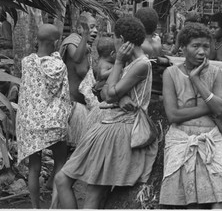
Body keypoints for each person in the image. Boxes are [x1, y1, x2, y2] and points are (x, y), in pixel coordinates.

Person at [55, 16, 158, 209]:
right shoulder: (131, 62)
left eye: (115, 37)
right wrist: (120, 95)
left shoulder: (141, 64)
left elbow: (109, 94)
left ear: (121, 38)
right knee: (62, 180)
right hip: (107, 127)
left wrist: (118, 63)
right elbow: (101, 90)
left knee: (93, 197)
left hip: (119, 130)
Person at [159, 22, 222, 208]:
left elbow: (220, 109)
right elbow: (173, 115)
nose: (202, 52)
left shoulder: (215, 72)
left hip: (211, 138)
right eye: (195, 46)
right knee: (189, 202)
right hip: (180, 139)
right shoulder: (170, 74)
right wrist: (211, 107)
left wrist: (196, 79)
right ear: (183, 48)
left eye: (205, 46)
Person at [16, 24, 71, 208]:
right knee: (60, 163)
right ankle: (54, 207)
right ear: (55, 42)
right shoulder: (59, 66)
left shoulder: (26, 63)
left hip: (32, 124)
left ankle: (35, 208)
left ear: (37, 40)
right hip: (55, 123)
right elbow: (63, 96)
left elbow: (26, 93)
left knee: (34, 168)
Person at [59, 12, 100, 146]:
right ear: (79, 29)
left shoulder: (86, 49)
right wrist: (84, 37)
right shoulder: (72, 41)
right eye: (91, 27)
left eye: (96, 28)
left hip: (84, 106)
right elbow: (76, 59)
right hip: (72, 105)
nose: (95, 31)